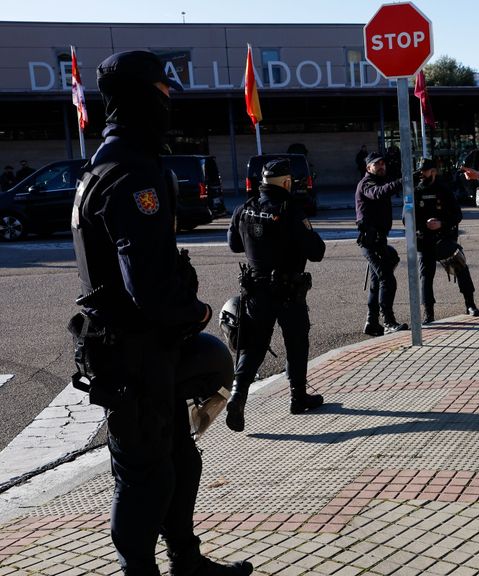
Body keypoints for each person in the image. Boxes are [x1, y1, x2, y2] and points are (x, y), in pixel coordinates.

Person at [69, 50, 252, 576]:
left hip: (145, 351)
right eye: (163, 92)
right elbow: (146, 286)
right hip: (136, 350)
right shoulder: (131, 172)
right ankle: (140, 572)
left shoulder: (108, 162)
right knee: (145, 473)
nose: (170, 102)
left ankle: (186, 561)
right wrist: (193, 314)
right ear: (140, 97)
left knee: (178, 461)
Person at [225, 158, 326, 433]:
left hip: (256, 290)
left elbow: (234, 244)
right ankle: (297, 397)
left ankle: (238, 395)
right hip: (287, 290)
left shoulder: (244, 208)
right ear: (285, 182)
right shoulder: (291, 210)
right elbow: (317, 252)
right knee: (296, 341)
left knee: (252, 346)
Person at [411, 157, 479, 322]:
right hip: (425, 240)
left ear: (433, 171)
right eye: (420, 170)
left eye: (425, 170)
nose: (421, 173)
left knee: (461, 267)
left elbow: (457, 215)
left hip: (444, 238)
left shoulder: (444, 190)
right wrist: (424, 224)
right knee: (425, 276)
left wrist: (441, 223)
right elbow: (407, 219)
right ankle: (429, 313)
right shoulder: (416, 192)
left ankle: (470, 304)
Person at [356, 151, 409, 336]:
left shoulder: (379, 181)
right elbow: (377, 193)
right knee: (387, 279)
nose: (381, 166)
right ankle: (388, 322)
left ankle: (372, 322)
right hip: (371, 242)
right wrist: (402, 182)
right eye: (376, 164)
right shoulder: (367, 184)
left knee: (376, 282)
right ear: (368, 167)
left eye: (382, 164)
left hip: (379, 240)